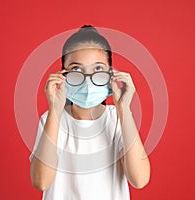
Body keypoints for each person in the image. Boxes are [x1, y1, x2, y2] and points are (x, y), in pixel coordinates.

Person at [29, 25, 150, 200]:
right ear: (62, 75)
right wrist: (55, 109)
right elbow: (41, 182)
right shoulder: (51, 120)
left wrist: (124, 108)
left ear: (111, 74)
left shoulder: (117, 120)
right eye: (76, 70)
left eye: (98, 69)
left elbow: (140, 179)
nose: (87, 80)